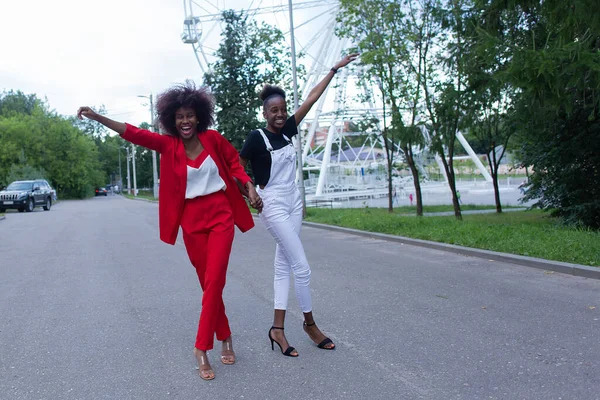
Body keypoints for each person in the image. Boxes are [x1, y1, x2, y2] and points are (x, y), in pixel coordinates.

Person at [77, 81, 261, 381]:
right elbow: (133, 133)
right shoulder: (168, 145)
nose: (185, 121)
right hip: (191, 220)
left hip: (220, 214)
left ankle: (202, 348)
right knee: (208, 283)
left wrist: (249, 185)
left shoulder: (213, 139)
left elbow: (234, 164)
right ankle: (225, 335)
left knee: (215, 279)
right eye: (179, 117)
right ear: (171, 121)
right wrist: (98, 117)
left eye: (189, 115)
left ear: (198, 116)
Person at [240, 54, 358, 357]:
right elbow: (235, 165)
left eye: (282, 109)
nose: (279, 115)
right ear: (264, 112)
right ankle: (309, 324)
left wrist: (333, 69)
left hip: (294, 201)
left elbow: (312, 98)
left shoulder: (289, 129)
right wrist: (249, 188)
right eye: (273, 111)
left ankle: (277, 329)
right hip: (273, 203)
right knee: (301, 268)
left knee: (283, 266)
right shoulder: (257, 137)